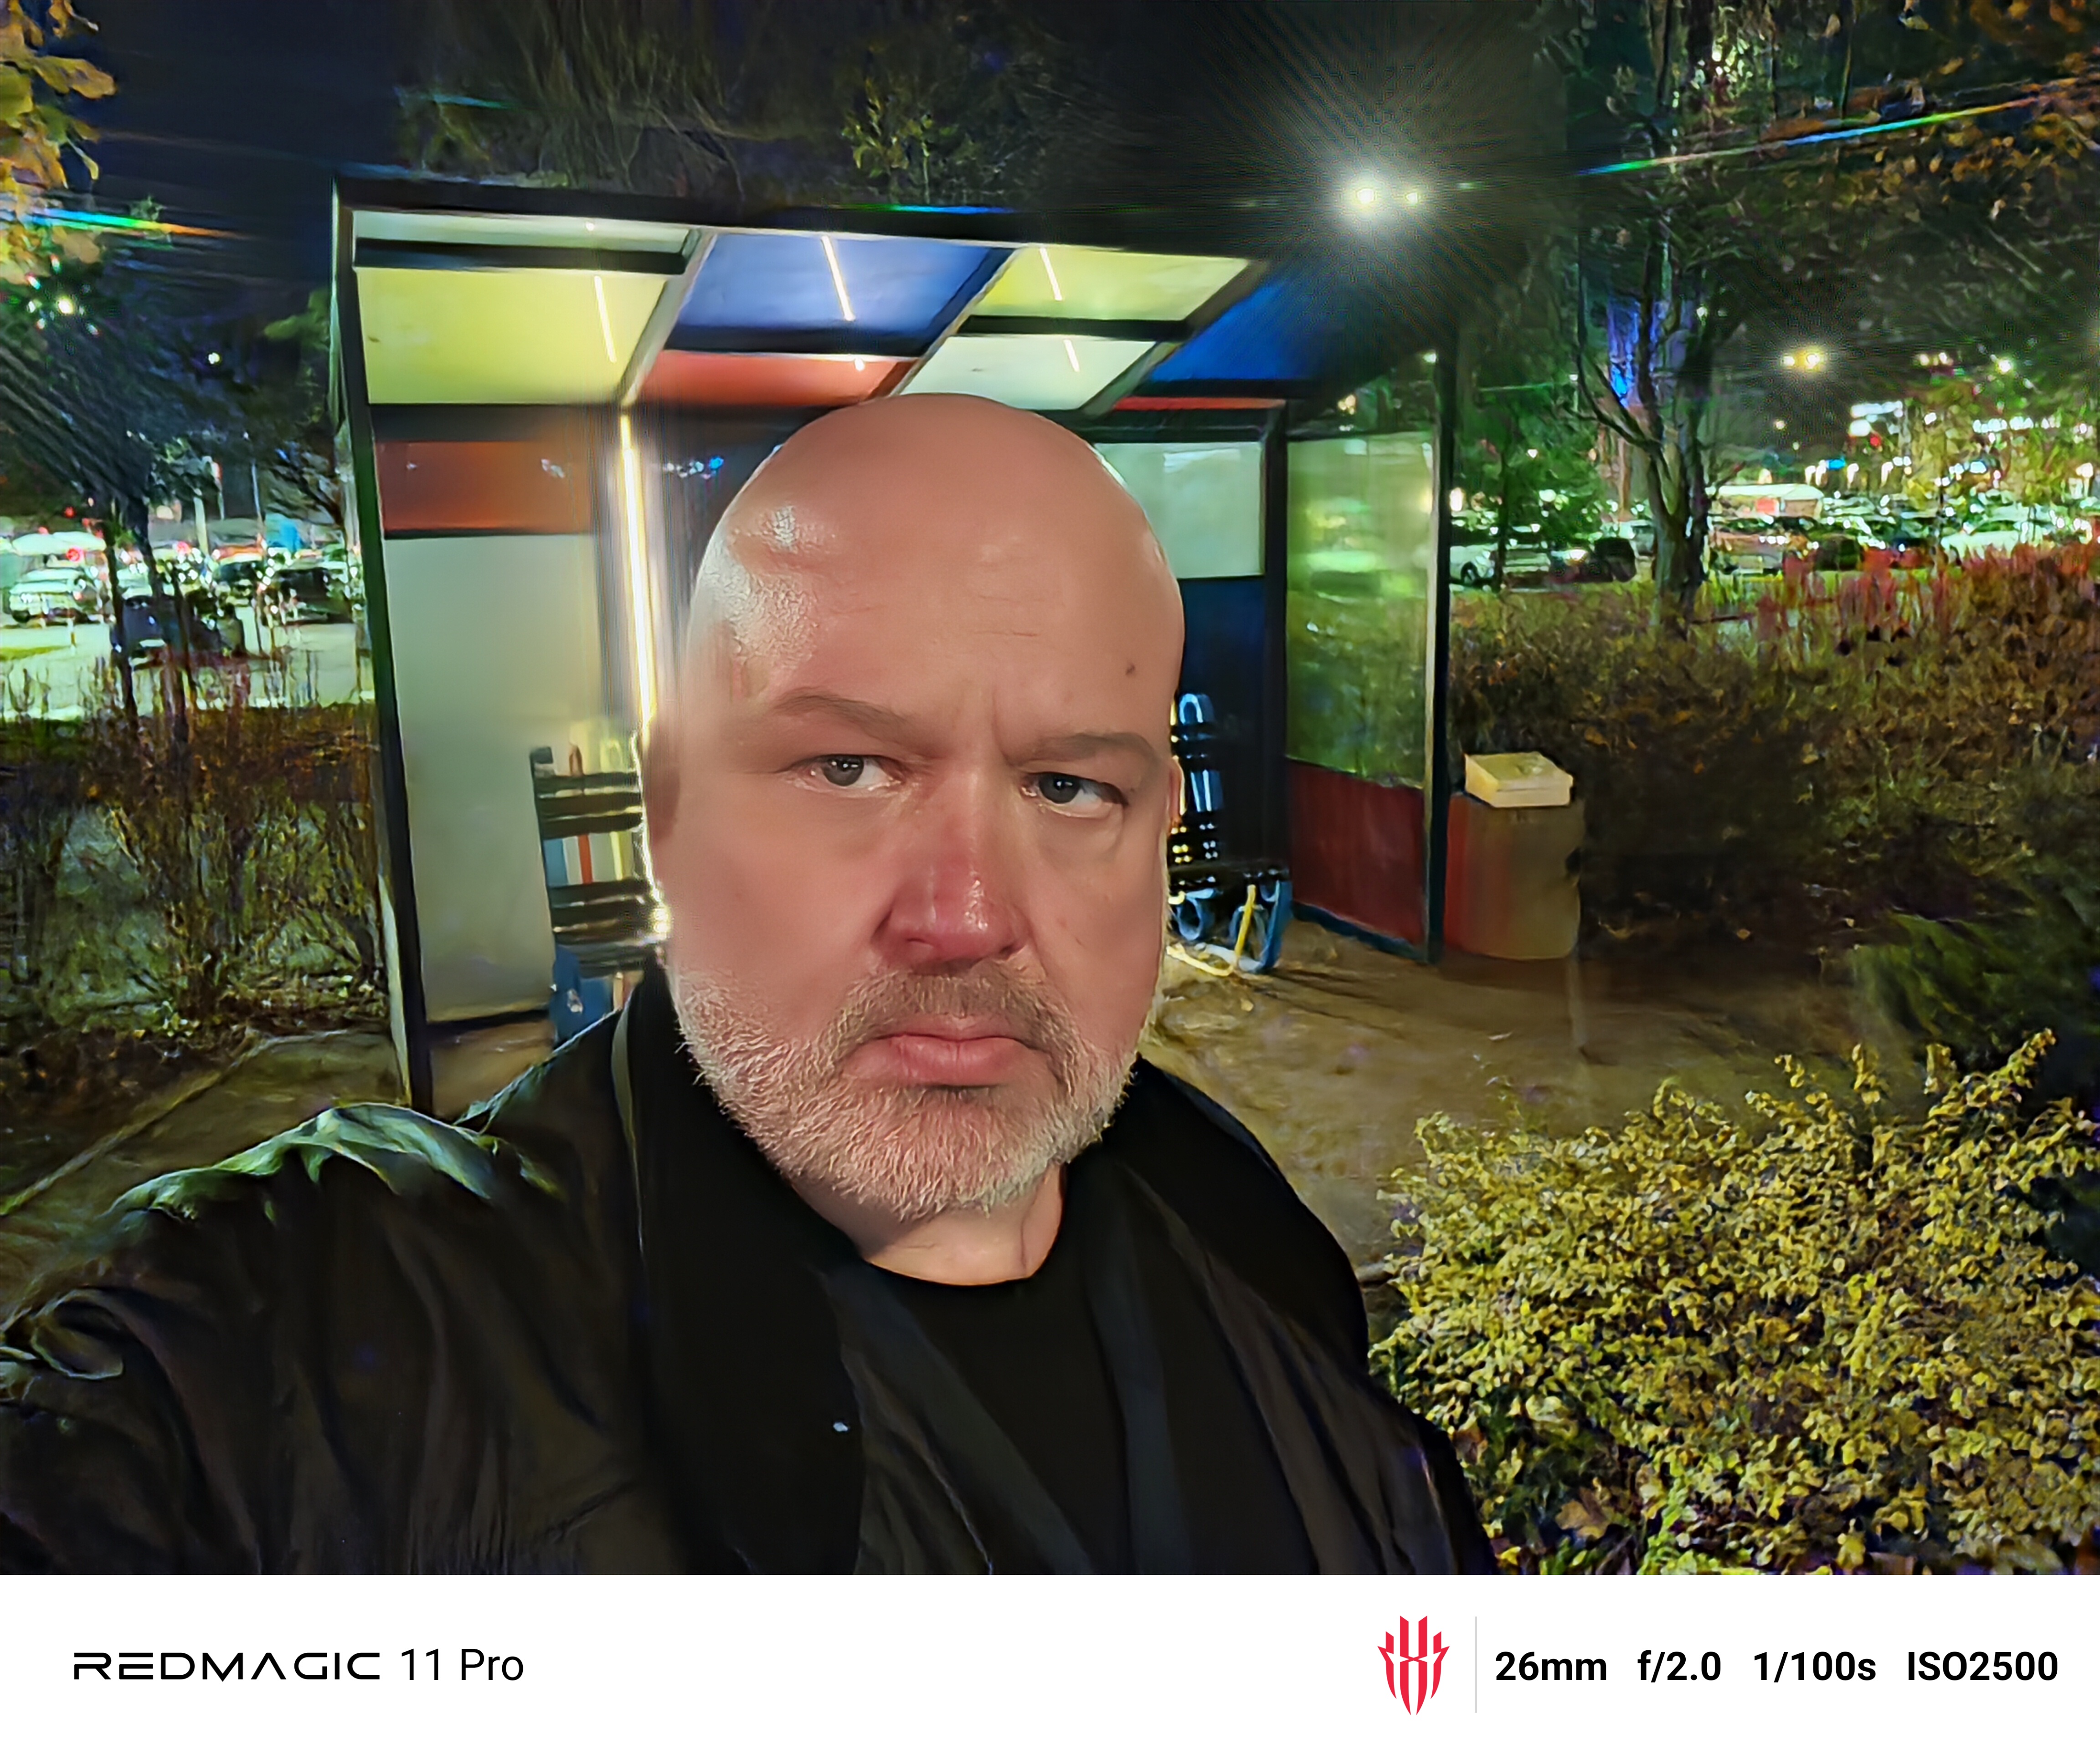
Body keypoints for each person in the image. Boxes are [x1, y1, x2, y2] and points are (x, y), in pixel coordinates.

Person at [0, 395, 1488, 1574]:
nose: (966, 916)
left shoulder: (1237, 1222)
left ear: (1157, 835)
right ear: (668, 813)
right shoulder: (325, 1329)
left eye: (1067, 786)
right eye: (847, 767)